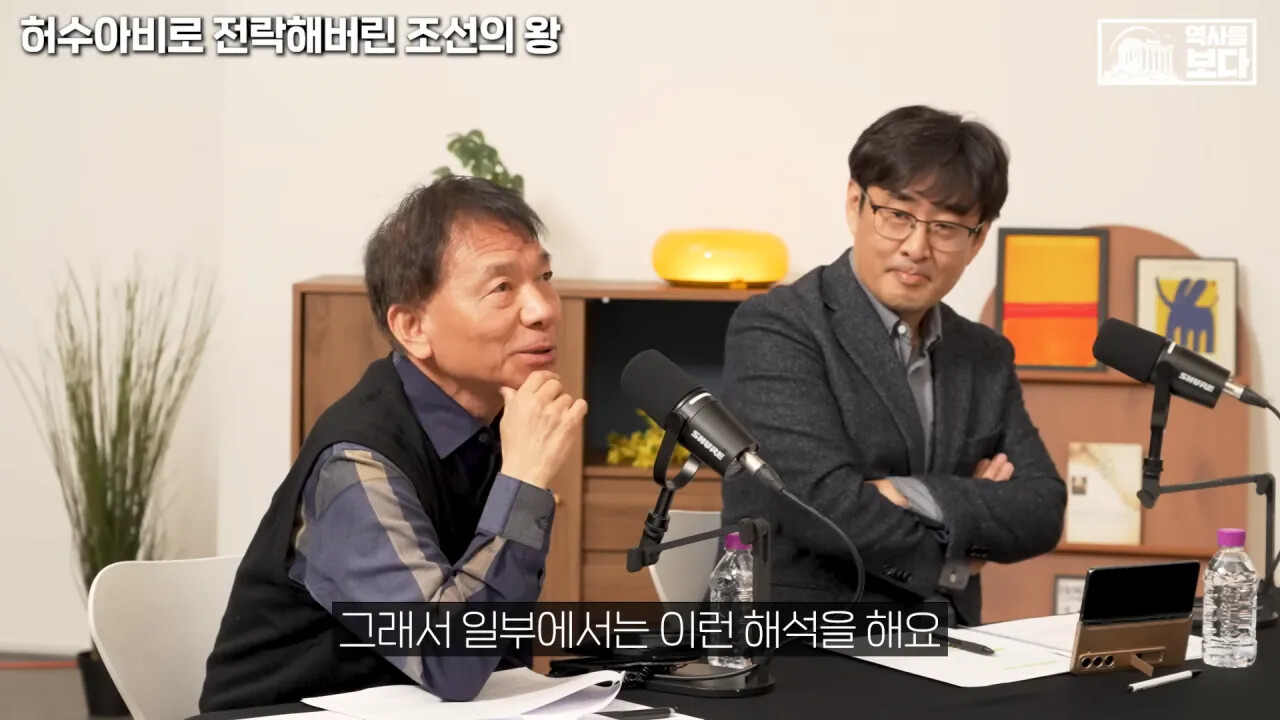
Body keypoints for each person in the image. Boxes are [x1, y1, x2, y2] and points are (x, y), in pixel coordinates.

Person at [199, 176, 587, 711]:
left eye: (544, 277)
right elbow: (450, 660)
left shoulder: (499, 425)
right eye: (502, 288)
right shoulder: (356, 462)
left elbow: (498, 656)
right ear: (412, 327)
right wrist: (524, 482)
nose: (543, 309)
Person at [719, 105, 1066, 627]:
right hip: (800, 644)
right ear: (855, 203)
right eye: (897, 215)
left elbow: (1041, 509)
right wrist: (956, 552)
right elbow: (818, 508)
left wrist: (903, 491)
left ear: (977, 239)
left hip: (945, 644)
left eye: (946, 226)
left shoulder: (984, 353)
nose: (917, 247)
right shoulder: (778, 326)